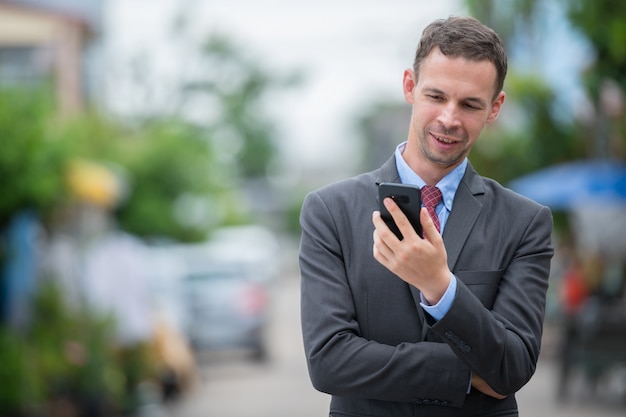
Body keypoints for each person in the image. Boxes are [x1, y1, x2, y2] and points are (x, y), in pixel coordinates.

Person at [298, 16, 554, 417]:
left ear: (495, 108)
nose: (449, 119)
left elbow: (514, 366)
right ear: (409, 87)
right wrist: (468, 376)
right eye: (436, 96)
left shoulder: (525, 223)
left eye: (470, 104)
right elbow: (329, 361)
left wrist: (439, 286)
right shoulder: (330, 211)